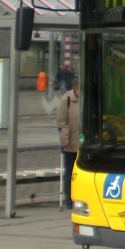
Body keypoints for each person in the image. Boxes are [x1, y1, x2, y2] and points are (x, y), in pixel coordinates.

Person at [55, 77, 80, 208]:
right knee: (70, 172)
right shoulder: (67, 100)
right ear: (76, 88)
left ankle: (80, 197)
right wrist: (64, 140)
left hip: (82, 143)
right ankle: (69, 198)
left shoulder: (85, 100)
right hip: (70, 143)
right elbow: (61, 121)